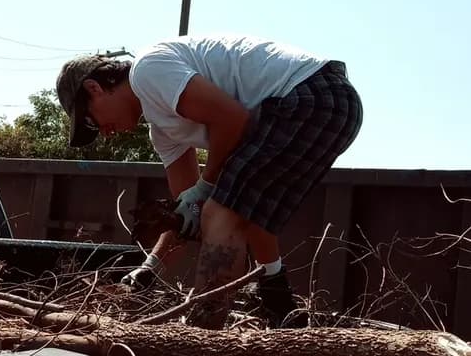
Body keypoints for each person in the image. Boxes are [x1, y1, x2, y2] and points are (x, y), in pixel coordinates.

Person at [56, 35, 363, 327]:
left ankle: (202, 337)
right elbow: (189, 216)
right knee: (235, 204)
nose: (104, 132)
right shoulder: (163, 133)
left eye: (90, 121)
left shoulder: (147, 71)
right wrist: (150, 267)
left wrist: (206, 185)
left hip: (313, 95)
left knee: (223, 210)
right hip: (323, 105)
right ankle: (278, 301)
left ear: (95, 88)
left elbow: (232, 119)